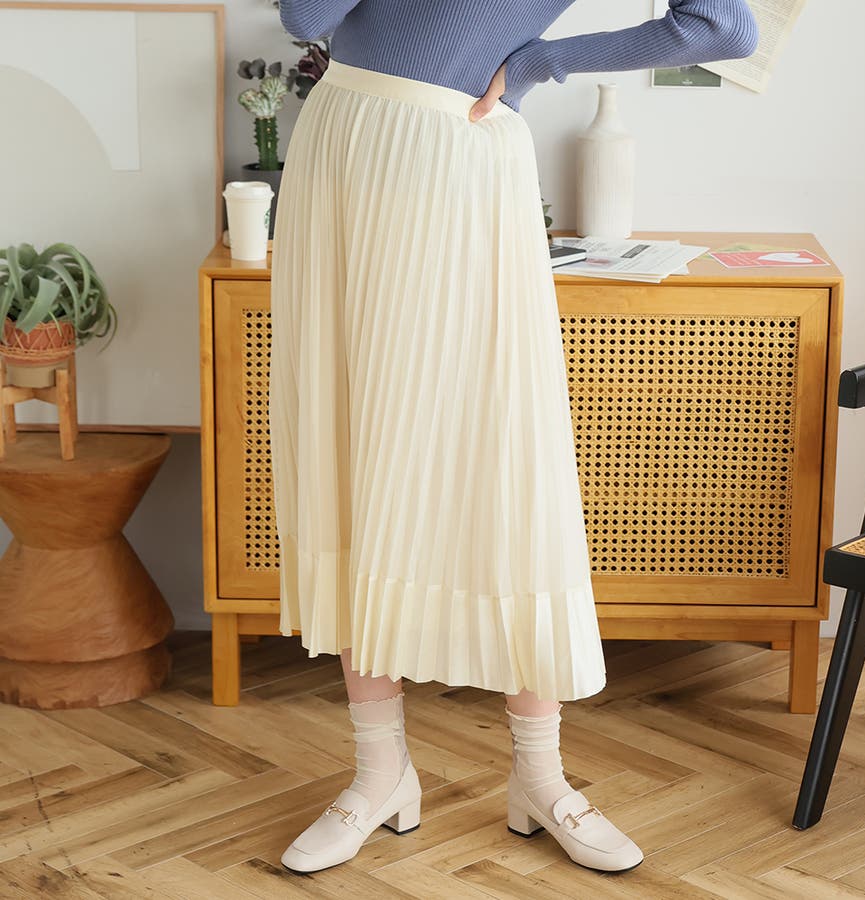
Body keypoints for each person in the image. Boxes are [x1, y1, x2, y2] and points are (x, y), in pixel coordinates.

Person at [268, 0, 758, 878]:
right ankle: (379, 773)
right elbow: (305, 14)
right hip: (340, 144)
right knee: (350, 445)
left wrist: (539, 63)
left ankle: (540, 776)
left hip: (457, 158)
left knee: (505, 455)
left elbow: (724, 24)